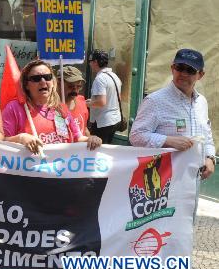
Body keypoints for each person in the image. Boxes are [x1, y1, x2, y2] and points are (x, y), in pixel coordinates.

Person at [130, 49, 214, 180]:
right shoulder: (155, 101)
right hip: (163, 181)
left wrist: (210, 158)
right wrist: (168, 140)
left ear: (200, 75)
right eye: (180, 68)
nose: (183, 74)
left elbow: (207, 135)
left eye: (190, 70)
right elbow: (136, 136)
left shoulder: (201, 102)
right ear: (172, 68)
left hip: (194, 179)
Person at [2, 60, 101, 154]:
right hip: (29, 169)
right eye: (36, 78)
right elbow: (1, 142)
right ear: (26, 84)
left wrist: (91, 139)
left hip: (61, 168)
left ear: (53, 82)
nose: (43, 81)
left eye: (47, 77)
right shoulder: (14, 108)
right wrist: (20, 138)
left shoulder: (61, 108)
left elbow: (78, 137)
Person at [87, 49, 123, 144]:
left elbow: (101, 102)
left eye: (90, 62)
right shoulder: (114, 76)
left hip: (103, 122)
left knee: (98, 150)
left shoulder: (100, 78)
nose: (90, 64)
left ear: (95, 62)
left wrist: (87, 103)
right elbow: (118, 98)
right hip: (115, 120)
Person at [54, 65, 89, 133]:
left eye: (78, 86)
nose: (75, 90)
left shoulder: (81, 101)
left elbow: (84, 129)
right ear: (58, 83)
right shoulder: (50, 105)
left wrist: (91, 139)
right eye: (71, 86)